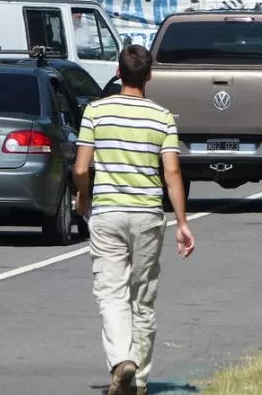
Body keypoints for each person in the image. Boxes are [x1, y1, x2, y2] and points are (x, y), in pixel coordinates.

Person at [74, 45, 196, 395]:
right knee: (142, 297)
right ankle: (138, 380)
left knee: (111, 293)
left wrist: (83, 195)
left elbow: (81, 167)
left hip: (108, 212)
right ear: (150, 75)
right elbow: (171, 173)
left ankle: (120, 361)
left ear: (118, 71)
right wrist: (183, 223)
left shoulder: (95, 111)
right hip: (147, 215)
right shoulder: (162, 117)